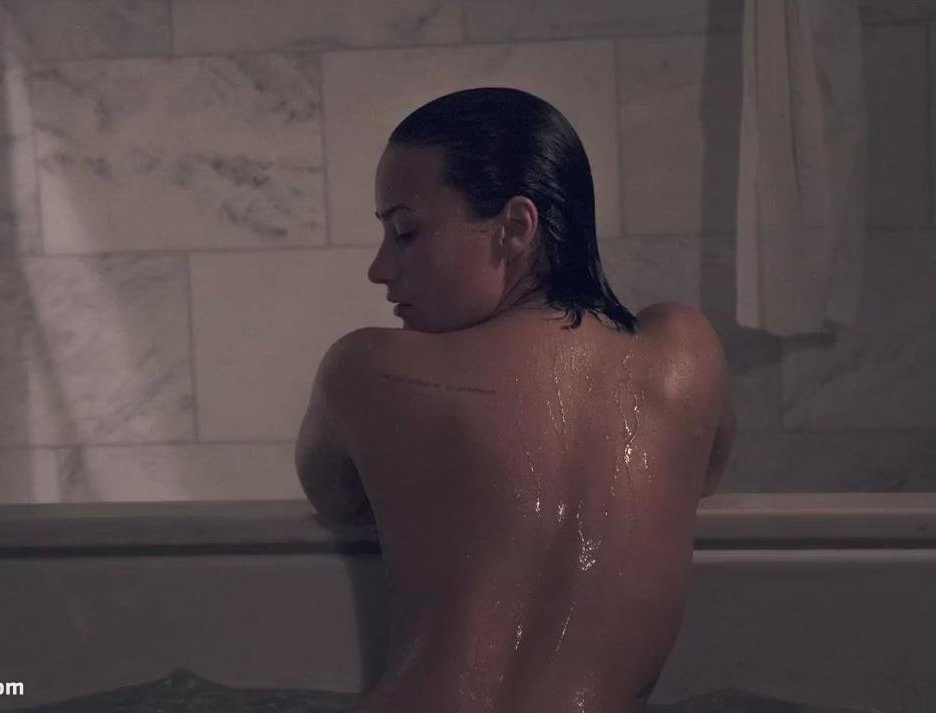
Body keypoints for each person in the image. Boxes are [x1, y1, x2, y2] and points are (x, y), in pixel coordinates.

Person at [295, 87, 736, 713]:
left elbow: (340, 500)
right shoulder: (687, 357)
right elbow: (700, 478)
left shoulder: (367, 370)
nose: (380, 268)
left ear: (515, 229)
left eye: (405, 231)